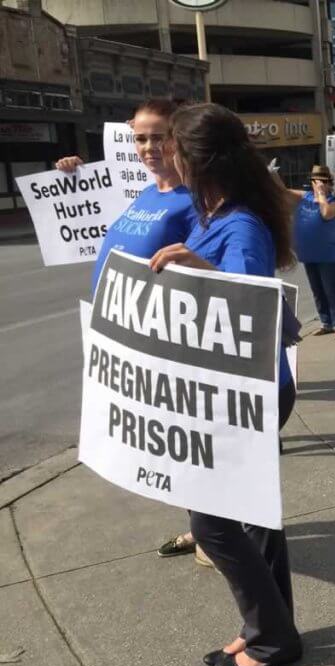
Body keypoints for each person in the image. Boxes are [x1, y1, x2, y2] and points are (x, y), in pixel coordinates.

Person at [149, 102, 302, 666]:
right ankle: (273, 625)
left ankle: (270, 637)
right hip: (234, 387)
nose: (163, 157)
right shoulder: (206, 209)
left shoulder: (239, 224)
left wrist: (204, 272)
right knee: (255, 516)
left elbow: (254, 296)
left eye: (170, 148)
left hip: (247, 391)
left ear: (195, 158)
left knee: (213, 523)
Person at [55, 99, 210, 567]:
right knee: (171, 448)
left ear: (180, 139)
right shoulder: (144, 192)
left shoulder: (196, 199)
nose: (148, 147)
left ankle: (215, 536)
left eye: (159, 136)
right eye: (140, 138)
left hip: (172, 344)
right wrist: (77, 174)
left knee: (191, 442)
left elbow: (215, 277)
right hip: (131, 342)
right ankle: (205, 526)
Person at [281, 165, 335, 340]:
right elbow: (282, 192)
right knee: (317, 290)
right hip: (309, 254)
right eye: (315, 182)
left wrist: (321, 195)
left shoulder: (334, 201)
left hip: (327, 256)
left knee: (330, 289)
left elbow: (326, 214)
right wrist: (271, 174)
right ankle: (326, 323)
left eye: (322, 182)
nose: (318, 185)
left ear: (329, 184)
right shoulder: (305, 197)